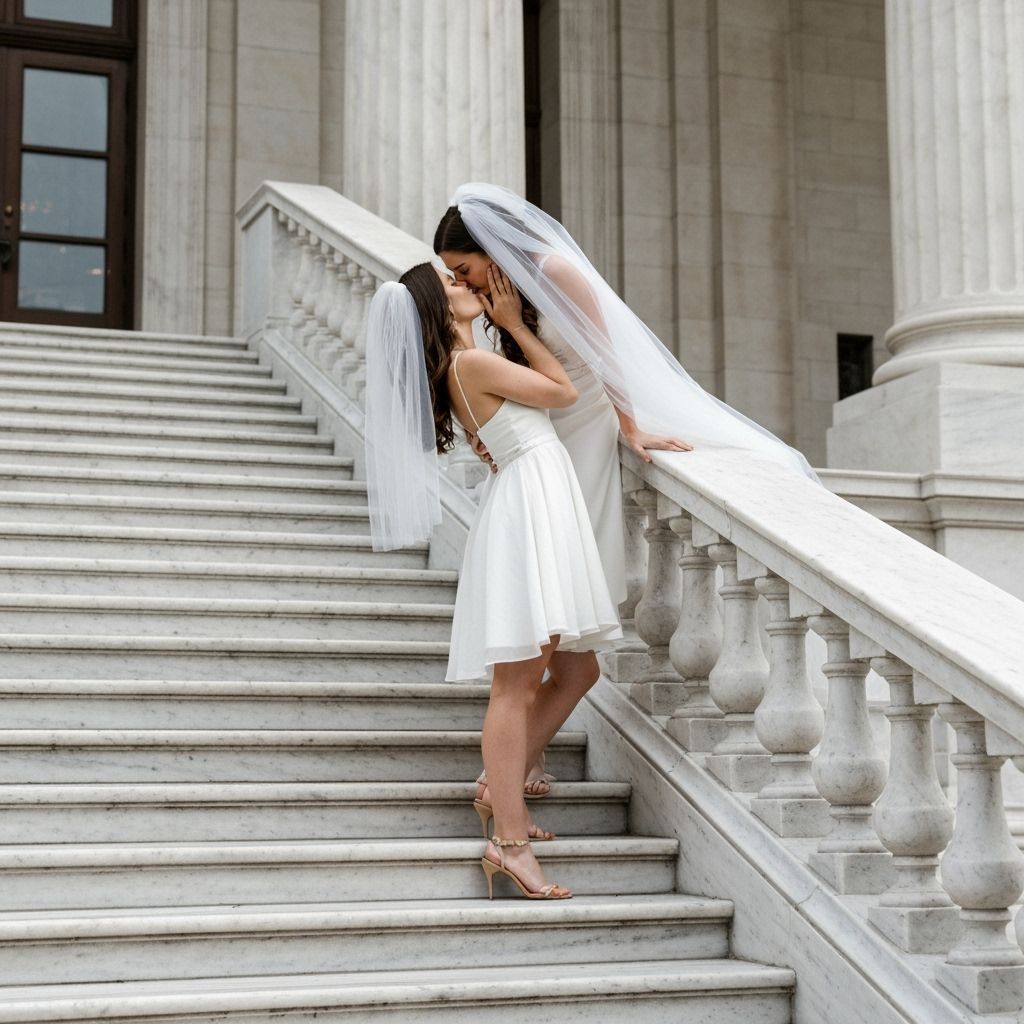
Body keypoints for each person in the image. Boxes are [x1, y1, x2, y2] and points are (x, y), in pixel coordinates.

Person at [363, 261, 622, 900]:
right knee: (515, 683)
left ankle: (498, 794)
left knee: (577, 669)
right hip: (527, 507)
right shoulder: (471, 363)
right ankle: (509, 843)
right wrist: (517, 327)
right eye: (455, 286)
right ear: (437, 308)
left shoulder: (470, 360)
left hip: (536, 497)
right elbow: (563, 391)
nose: (471, 288)